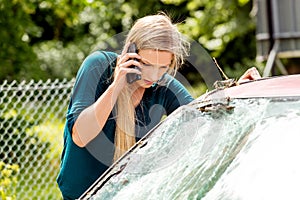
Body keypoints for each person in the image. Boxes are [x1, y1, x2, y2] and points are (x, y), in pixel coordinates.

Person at [57, 13, 261, 199]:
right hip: (81, 194)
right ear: (131, 51)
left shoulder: (163, 86)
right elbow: (80, 135)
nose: (153, 76)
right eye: (146, 64)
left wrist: (235, 91)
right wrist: (118, 84)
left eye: (162, 67)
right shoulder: (98, 65)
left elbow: (201, 113)